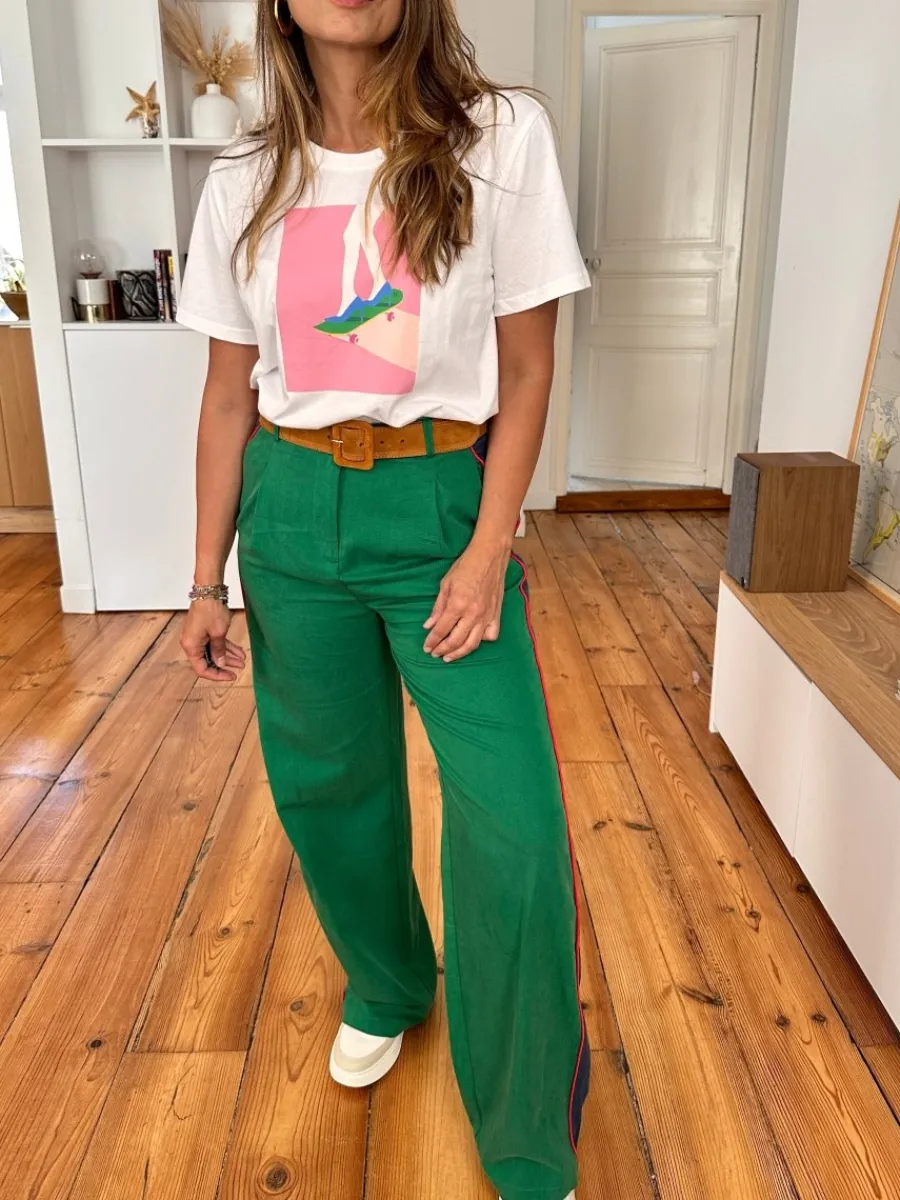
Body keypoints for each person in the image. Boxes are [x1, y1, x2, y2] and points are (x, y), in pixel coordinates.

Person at [177, 2, 591, 1198]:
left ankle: (524, 1129)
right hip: (292, 510)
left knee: (513, 820)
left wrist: (490, 544)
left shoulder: (499, 137)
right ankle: (393, 979)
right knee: (327, 787)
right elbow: (227, 396)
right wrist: (204, 578)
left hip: (440, 506)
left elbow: (528, 367)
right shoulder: (243, 177)